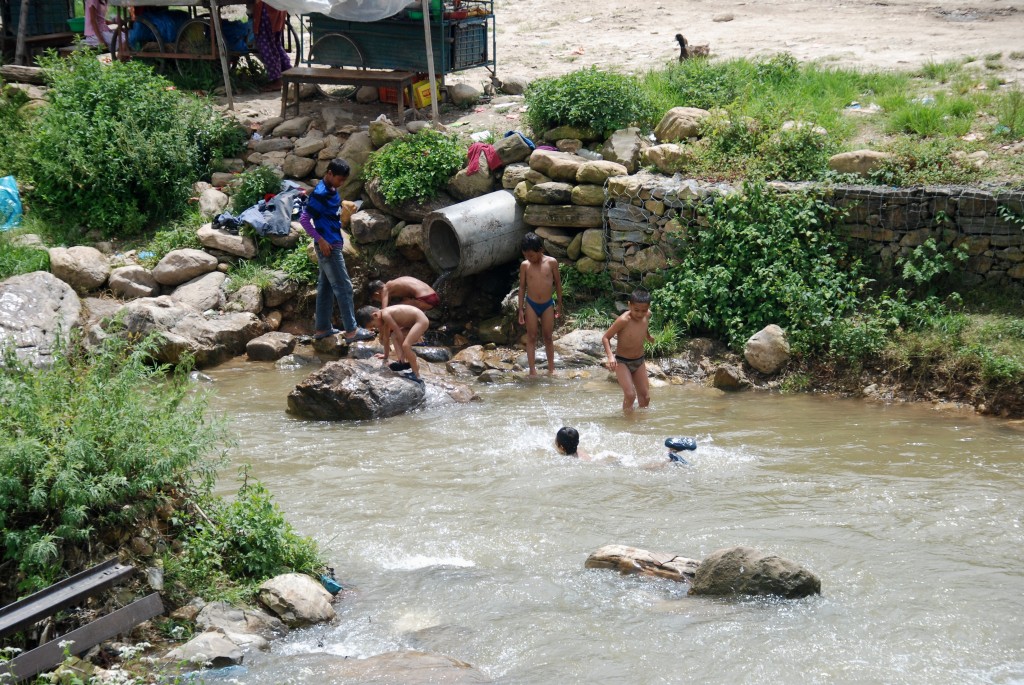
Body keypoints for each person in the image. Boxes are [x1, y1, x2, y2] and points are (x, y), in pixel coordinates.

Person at [299, 159, 375, 343]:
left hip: (335, 242)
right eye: (339, 179)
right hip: (329, 247)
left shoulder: (332, 189)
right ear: (330, 173)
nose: (341, 183)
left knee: (325, 289)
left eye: (343, 180)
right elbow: (303, 220)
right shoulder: (320, 194)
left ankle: (322, 329)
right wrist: (321, 240)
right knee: (344, 287)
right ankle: (351, 331)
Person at [517, 232, 563, 376]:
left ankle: (551, 369)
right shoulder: (525, 265)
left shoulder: (551, 262)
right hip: (531, 304)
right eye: (526, 256)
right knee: (531, 336)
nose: (529, 258)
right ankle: (532, 371)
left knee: (548, 336)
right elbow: (522, 287)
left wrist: (559, 304)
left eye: (531, 255)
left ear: (540, 250)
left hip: (548, 304)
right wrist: (520, 309)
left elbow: (558, 283)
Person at [602, 288, 655, 412]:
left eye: (644, 310)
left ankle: (641, 424)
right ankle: (627, 424)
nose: (640, 314)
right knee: (630, 395)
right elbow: (605, 337)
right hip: (622, 362)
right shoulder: (623, 320)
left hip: (639, 361)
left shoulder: (647, 315)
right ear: (629, 305)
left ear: (648, 308)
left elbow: (644, 325)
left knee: (646, 397)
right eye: (636, 310)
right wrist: (610, 357)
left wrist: (648, 336)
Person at [356, 304, 429, 384]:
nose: (376, 328)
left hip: (420, 321)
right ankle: (403, 361)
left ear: (375, 315)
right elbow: (386, 338)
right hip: (414, 323)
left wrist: (403, 352)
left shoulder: (386, 315)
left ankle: (416, 374)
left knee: (406, 345)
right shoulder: (384, 319)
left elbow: (399, 333)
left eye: (374, 325)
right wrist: (385, 355)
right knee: (394, 336)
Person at [250, 0, 292, 91]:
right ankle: (288, 72)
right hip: (278, 7)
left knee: (266, 44)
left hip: (267, 8)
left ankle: (277, 79)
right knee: (275, 43)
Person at [368, 276, 441, 311]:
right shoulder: (395, 282)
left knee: (393, 309)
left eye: (376, 299)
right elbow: (407, 297)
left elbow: (385, 310)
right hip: (434, 296)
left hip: (425, 300)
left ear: (377, 294)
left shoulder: (385, 289)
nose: (379, 301)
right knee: (402, 304)